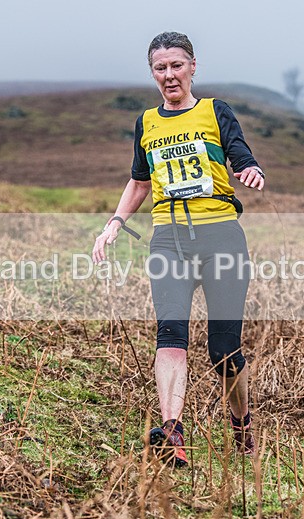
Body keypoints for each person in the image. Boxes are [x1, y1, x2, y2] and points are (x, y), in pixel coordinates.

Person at [92, 31, 265, 467]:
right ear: (152, 73)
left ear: (192, 67)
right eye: (160, 68)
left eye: (176, 66)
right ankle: (172, 432)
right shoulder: (147, 123)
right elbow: (140, 179)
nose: (169, 75)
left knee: (224, 350)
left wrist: (248, 168)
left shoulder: (214, 111)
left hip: (221, 237)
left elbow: (238, 151)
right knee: (171, 335)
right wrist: (115, 222)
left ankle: (241, 421)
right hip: (169, 239)